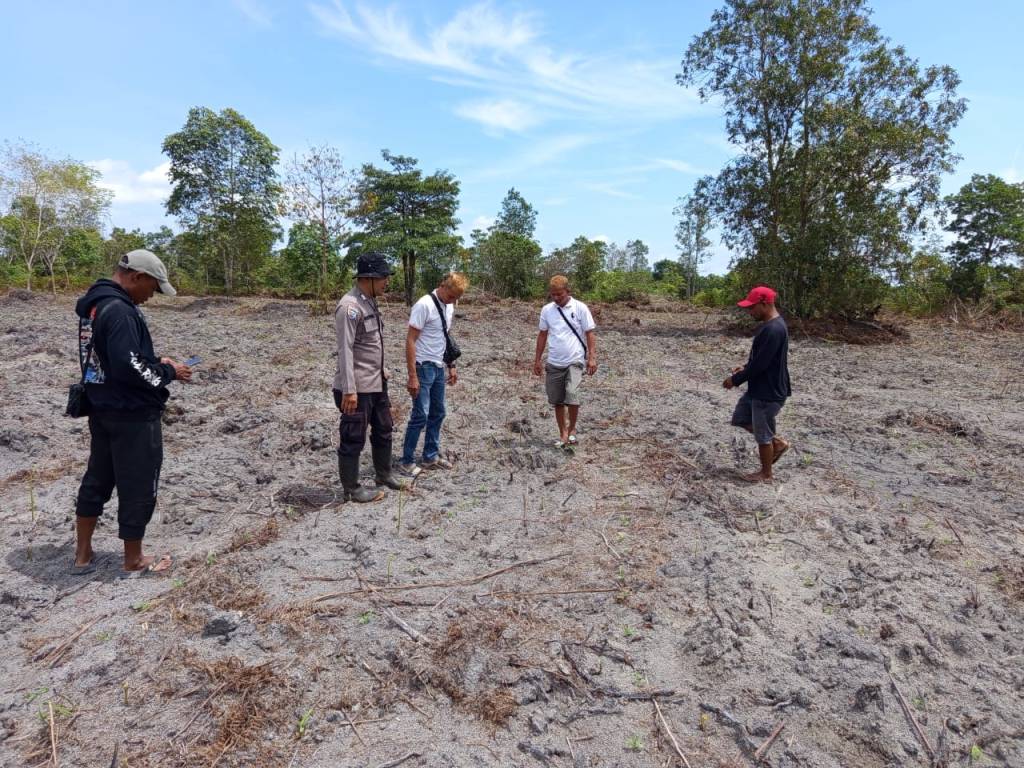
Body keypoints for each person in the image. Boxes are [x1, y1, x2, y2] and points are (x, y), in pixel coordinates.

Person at [73, 249, 192, 574]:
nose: (150, 297)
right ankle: (134, 559)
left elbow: (110, 360)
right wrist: (169, 372)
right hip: (132, 413)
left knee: (97, 477)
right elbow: (129, 367)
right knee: (138, 484)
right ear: (136, 277)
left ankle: (82, 554)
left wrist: (156, 362)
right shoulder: (122, 312)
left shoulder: (94, 306)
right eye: (152, 288)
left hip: (102, 408)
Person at [333, 253, 407, 502]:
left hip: (376, 382)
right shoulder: (349, 307)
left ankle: (383, 475)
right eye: (384, 277)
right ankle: (352, 489)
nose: (387, 282)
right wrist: (349, 390)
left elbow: (371, 344)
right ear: (369, 278)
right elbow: (346, 350)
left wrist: (382, 369)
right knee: (353, 436)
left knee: (384, 428)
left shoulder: (370, 301)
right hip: (357, 388)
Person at [400, 272, 469, 474]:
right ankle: (406, 461)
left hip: (438, 366)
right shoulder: (424, 305)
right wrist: (412, 375)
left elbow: (445, 336)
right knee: (420, 415)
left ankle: (430, 456)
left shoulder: (449, 306)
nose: (453, 301)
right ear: (442, 285)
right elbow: (410, 340)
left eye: (457, 298)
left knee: (439, 412)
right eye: (451, 296)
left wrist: (452, 364)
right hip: (423, 366)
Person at [723, 285, 792, 482]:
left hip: (767, 391)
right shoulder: (771, 326)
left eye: (752, 307)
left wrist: (735, 380)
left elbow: (761, 364)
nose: (749, 311)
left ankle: (766, 474)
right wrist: (744, 367)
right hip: (759, 387)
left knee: (762, 435)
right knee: (740, 417)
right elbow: (763, 358)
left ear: (765, 303)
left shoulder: (774, 329)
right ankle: (777, 443)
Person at [533, 275, 597, 447]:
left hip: (575, 360)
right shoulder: (547, 310)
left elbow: (590, 333)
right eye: (553, 295)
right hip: (554, 361)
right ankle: (563, 433)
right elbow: (542, 335)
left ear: (568, 291)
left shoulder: (580, 308)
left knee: (572, 394)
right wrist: (537, 360)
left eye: (559, 294)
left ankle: (573, 429)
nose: (556, 298)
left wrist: (592, 357)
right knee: (557, 400)